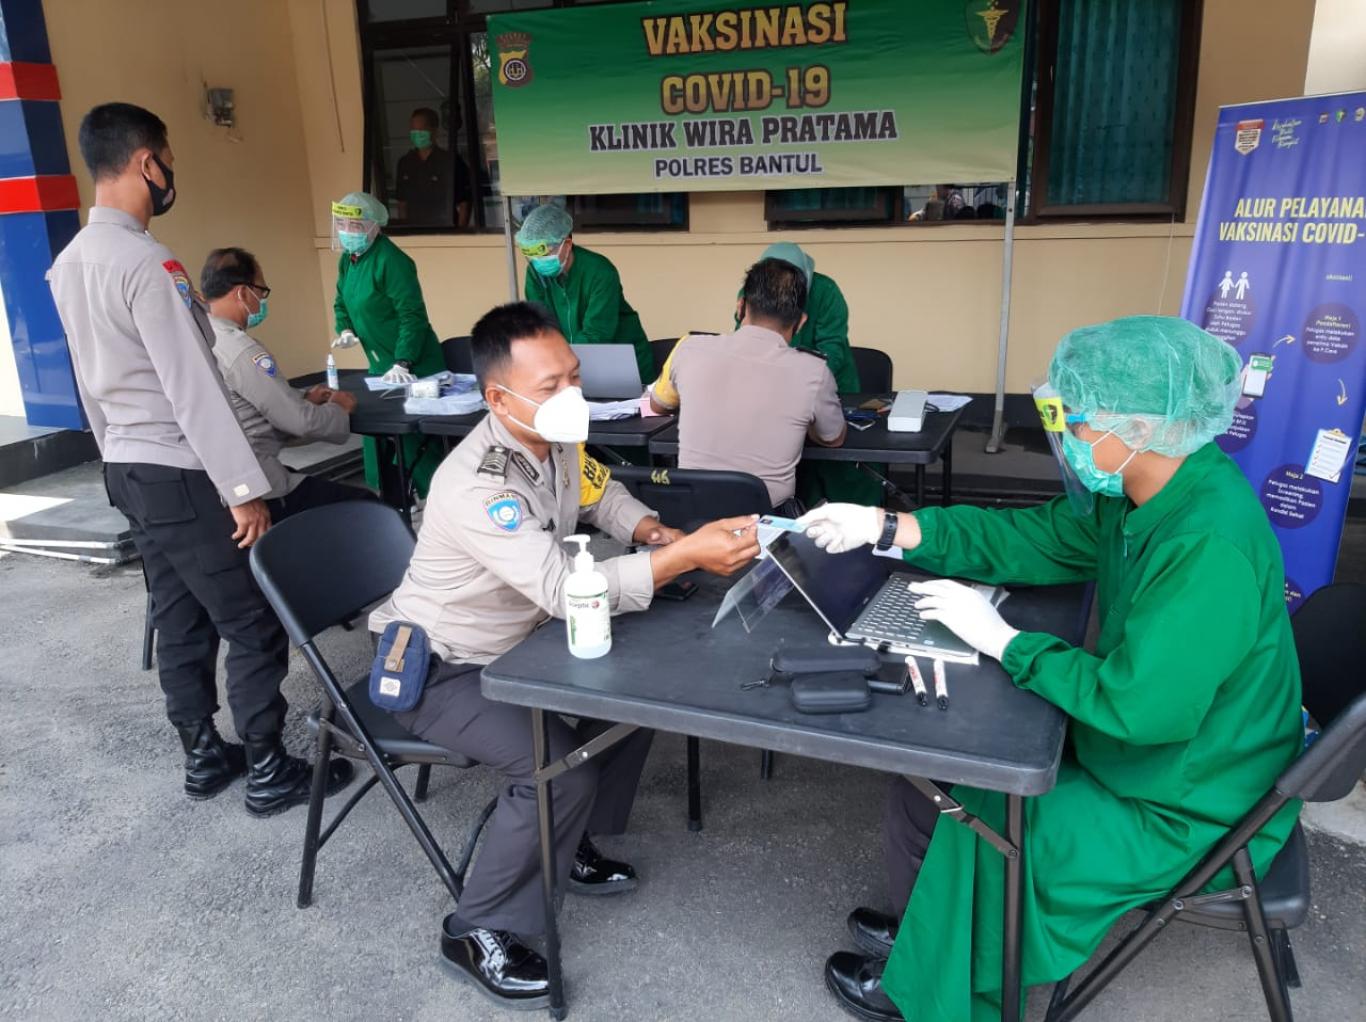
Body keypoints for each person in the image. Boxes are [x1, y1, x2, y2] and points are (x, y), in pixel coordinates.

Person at [798, 316, 1303, 1021]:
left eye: (1076, 417)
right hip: (1158, 757)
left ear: (1142, 425)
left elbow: (1142, 709)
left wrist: (1006, 642)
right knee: (945, 778)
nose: (1064, 434)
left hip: (1188, 798)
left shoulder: (1209, 541)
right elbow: (1038, 537)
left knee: (975, 810)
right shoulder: (1144, 491)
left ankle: (929, 982)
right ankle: (932, 934)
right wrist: (891, 528)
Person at [368, 302, 759, 1010]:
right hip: (442, 665)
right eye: (550, 385)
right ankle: (475, 927)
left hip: (520, 644)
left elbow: (600, 495)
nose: (570, 395)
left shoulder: (557, 438)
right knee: (556, 773)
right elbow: (561, 587)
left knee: (634, 701)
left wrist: (651, 528)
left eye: (573, 377)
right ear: (498, 398)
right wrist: (681, 558)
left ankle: (566, 842)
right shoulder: (482, 483)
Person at [49, 103, 351, 815]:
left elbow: (89, 385)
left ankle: (203, 755)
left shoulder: (69, 265)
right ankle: (270, 767)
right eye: (168, 161)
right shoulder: (150, 264)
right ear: (147, 162)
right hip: (183, 472)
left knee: (178, 612)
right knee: (249, 620)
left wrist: (112, 460)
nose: (169, 175)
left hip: (127, 467)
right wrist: (242, 487)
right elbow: (194, 389)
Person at [649, 257, 846, 513]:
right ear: (801, 322)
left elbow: (658, 405)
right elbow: (833, 438)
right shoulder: (814, 371)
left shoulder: (688, 348)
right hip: (765, 525)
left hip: (691, 519)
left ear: (740, 306)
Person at [200, 246, 373, 517]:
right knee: (370, 507)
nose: (262, 300)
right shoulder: (241, 350)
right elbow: (299, 421)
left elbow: (252, 406)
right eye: (261, 291)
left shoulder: (200, 336)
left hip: (217, 483)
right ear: (243, 292)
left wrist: (302, 398)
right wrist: (338, 407)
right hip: (256, 486)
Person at [329, 190, 445, 498]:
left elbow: (412, 316)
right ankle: (393, 502)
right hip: (380, 365)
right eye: (341, 224)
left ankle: (439, 503)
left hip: (415, 365)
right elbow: (342, 300)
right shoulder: (349, 260)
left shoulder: (392, 261)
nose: (345, 232)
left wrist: (403, 360)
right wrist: (346, 329)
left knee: (413, 443)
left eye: (352, 226)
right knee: (378, 439)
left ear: (372, 226)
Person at [749, 242, 882, 507]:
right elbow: (749, 342)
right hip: (775, 396)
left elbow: (831, 348)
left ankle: (859, 526)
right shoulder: (752, 292)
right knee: (794, 464)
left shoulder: (825, 291)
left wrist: (802, 386)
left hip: (830, 388)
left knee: (841, 464)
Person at [517, 203, 653, 384]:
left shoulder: (600, 271)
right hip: (568, 367)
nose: (538, 262)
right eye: (533, 257)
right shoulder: (535, 273)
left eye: (545, 254)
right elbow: (540, 324)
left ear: (567, 244)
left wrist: (561, 358)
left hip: (619, 364)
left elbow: (597, 333)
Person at [394, 106, 472, 228]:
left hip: (446, 230)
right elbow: (402, 204)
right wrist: (405, 229)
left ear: (434, 131)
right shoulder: (405, 163)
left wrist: (459, 234)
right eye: (414, 130)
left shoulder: (450, 161)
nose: (417, 135)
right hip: (414, 231)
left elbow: (464, 204)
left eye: (422, 130)